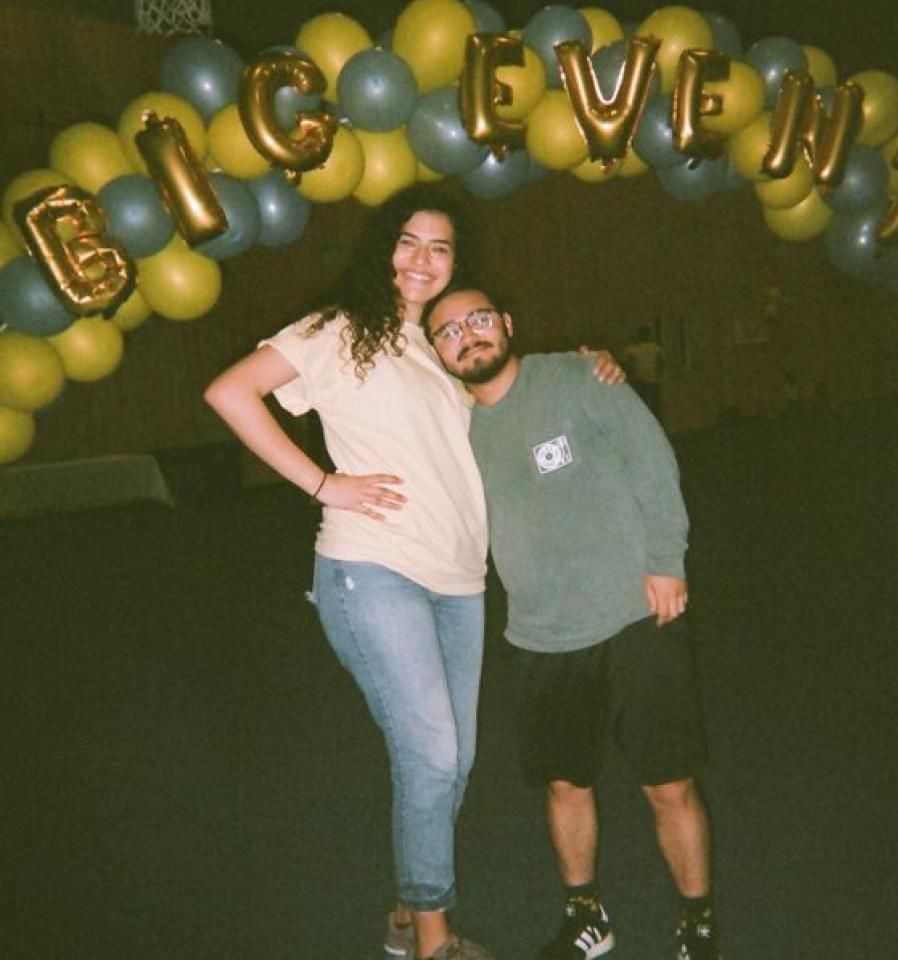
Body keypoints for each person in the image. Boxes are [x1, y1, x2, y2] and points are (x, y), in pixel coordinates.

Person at [204, 187, 622, 960]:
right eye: (408, 242)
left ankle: (405, 908)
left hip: (461, 581)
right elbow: (231, 392)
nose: (422, 260)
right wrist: (325, 485)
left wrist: (591, 366)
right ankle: (434, 940)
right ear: (381, 249)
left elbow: (517, 395)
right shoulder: (336, 330)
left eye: (440, 248)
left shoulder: (441, 346)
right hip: (372, 568)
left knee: (453, 758)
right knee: (431, 752)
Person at [423, 283, 722, 960]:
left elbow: (653, 463)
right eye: (448, 331)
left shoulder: (580, 376)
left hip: (635, 617)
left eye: (478, 319)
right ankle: (588, 915)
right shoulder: (449, 429)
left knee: (669, 785)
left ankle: (696, 928)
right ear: (437, 350)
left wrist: (666, 560)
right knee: (565, 784)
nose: (467, 335)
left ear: (506, 321)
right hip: (540, 637)